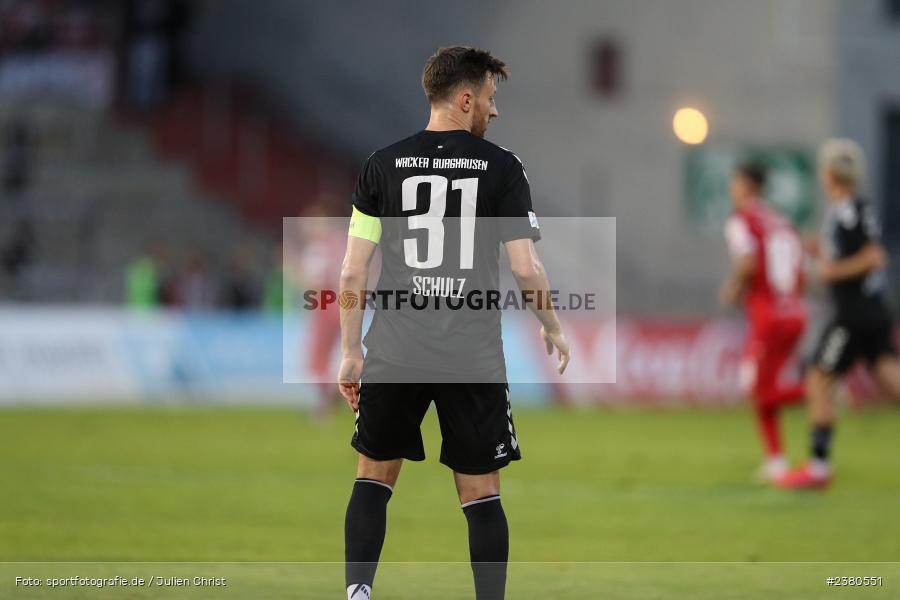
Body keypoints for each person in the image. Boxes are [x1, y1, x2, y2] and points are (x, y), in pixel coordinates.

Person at [337, 47, 570, 600]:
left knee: (372, 477)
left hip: (395, 347)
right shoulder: (502, 167)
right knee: (481, 493)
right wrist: (553, 325)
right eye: (491, 98)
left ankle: (356, 595)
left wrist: (351, 352)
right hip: (471, 355)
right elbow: (524, 266)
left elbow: (352, 270)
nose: (496, 111)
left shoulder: (381, 164)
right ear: (466, 99)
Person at [777, 139, 900, 489]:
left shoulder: (847, 210)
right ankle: (817, 467)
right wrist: (822, 258)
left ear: (829, 174)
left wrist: (831, 270)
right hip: (871, 310)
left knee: (817, 379)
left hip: (855, 314)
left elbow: (874, 256)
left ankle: (818, 467)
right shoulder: (850, 209)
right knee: (892, 384)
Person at [719, 163, 808, 482]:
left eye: (734, 183)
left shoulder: (742, 220)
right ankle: (776, 460)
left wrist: (733, 288)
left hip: (768, 316)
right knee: (765, 386)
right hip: (795, 312)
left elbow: (747, 262)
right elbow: (803, 272)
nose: (732, 189)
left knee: (753, 386)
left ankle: (816, 391)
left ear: (745, 185)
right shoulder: (782, 221)